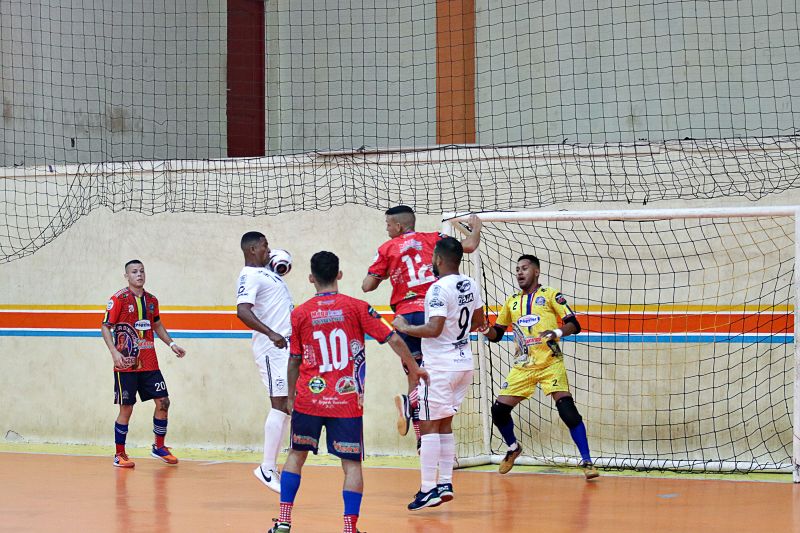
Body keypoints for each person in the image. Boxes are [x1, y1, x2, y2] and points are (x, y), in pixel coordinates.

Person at [268, 251, 428, 533]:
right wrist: (414, 368)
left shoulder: (300, 313)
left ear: (310, 278)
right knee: (351, 465)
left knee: (295, 455)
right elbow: (392, 338)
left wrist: (291, 395)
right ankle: (349, 528)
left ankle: (284, 521)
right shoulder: (357, 307)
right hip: (347, 401)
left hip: (309, 399)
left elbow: (294, 359)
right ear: (339, 275)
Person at [362, 205, 482, 449]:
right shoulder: (434, 239)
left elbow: (367, 286)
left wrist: (387, 272)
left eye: (387, 224)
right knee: (434, 377)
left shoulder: (387, 249)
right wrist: (477, 226)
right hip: (433, 312)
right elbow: (469, 246)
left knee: (417, 373)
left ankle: (417, 425)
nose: (386, 229)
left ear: (398, 225)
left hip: (407, 317)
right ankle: (424, 435)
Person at [480, 254, 599, 479]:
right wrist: (486, 329)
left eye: (524, 268)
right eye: (517, 269)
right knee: (498, 411)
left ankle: (587, 462)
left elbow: (575, 324)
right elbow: (497, 334)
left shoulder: (551, 295)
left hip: (549, 363)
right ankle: (513, 448)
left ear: (536, 272)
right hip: (523, 365)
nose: (520, 273)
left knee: (567, 411)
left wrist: (557, 332)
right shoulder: (511, 301)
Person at [393, 237, 485, 510]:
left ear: (440, 260)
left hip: (440, 367)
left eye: (433, 257)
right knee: (444, 424)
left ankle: (427, 489)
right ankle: (445, 483)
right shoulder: (471, 283)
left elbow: (433, 329)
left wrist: (404, 327)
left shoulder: (436, 289)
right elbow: (479, 322)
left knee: (430, 426)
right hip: (463, 364)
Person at [101, 259, 187, 468]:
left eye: (141, 271)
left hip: (150, 363)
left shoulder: (152, 300)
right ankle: (119, 454)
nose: (139, 274)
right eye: (134, 272)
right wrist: (114, 353)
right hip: (126, 365)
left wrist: (171, 344)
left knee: (163, 402)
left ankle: (159, 447)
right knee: (127, 408)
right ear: (127, 276)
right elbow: (105, 326)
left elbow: (156, 324)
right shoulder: (118, 299)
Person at [236, 231, 294, 493]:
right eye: (264, 246)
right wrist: (271, 333)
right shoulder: (249, 275)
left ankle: (276, 463)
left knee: (288, 405)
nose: (268, 250)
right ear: (252, 249)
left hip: (286, 347)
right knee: (280, 403)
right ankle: (266, 467)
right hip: (272, 348)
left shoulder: (267, 273)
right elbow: (242, 311)